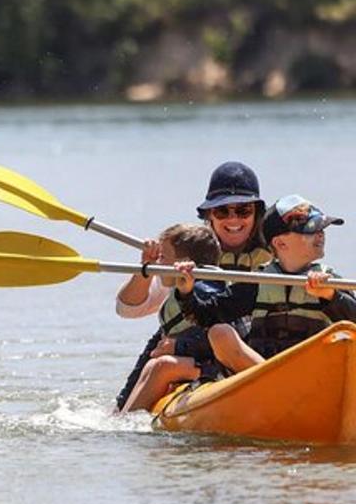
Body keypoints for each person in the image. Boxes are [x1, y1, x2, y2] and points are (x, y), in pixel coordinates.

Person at [114, 161, 272, 407]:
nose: (233, 220)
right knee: (158, 348)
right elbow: (128, 309)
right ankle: (123, 409)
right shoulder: (188, 251)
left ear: (256, 213)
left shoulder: (276, 249)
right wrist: (146, 269)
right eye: (222, 212)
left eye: (243, 210)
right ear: (209, 216)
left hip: (250, 342)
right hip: (200, 341)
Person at [172, 194, 356, 375]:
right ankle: (274, 381)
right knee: (219, 333)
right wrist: (187, 291)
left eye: (322, 228)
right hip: (262, 379)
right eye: (311, 229)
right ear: (280, 243)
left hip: (313, 375)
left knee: (345, 337)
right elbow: (207, 316)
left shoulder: (330, 281)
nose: (321, 234)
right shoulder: (260, 282)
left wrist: (331, 296)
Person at [117, 224, 224, 413]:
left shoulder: (205, 291)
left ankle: (126, 423)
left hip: (216, 368)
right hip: (196, 363)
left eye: (163, 258)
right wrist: (120, 402)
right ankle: (122, 416)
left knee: (161, 365)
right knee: (151, 364)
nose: (158, 265)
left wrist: (179, 346)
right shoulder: (177, 295)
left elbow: (220, 334)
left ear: (184, 264)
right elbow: (147, 354)